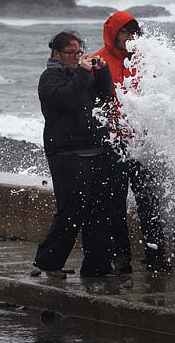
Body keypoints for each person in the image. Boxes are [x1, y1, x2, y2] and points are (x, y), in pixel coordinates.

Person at [33, 30, 117, 278]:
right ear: (56, 53)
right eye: (71, 52)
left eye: (79, 52)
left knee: (100, 208)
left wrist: (102, 72)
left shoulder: (82, 76)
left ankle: (97, 266)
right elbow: (66, 100)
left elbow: (104, 97)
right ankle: (48, 262)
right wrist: (82, 71)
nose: (76, 57)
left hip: (94, 147)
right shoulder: (49, 78)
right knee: (72, 209)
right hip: (65, 152)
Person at [94, 11, 170, 273]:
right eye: (125, 32)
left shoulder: (142, 61)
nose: (129, 37)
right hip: (113, 144)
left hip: (141, 144)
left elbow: (157, 95)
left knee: (149, 201)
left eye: (133, 32)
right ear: (113, 34)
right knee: (114, 203)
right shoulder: (98, 61)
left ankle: (156, 257)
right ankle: (120, 257)